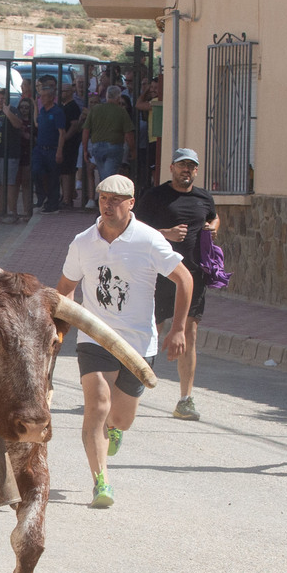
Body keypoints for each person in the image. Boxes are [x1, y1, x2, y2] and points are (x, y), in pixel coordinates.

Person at [57, 174, 192, 508]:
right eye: (103, 198)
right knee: (97, 406)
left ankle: (116, 430)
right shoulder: (83, 242)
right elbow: (65, 289)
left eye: (116, 200)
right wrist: (59, 328)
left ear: (131, 203)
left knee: (121, 418)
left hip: (138, 343)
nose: (108, 205)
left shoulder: (148, 240)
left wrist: (177, 329)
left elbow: (184, 279)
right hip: (95, 337)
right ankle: (101, 481)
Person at [134, 148, 219, 421]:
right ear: (171, 168)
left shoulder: (203, 197)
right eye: (182, 165)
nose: (187, 170)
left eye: (191, 167)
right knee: (151, 331)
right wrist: (166, 234)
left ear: (196, 170)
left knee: (189, 334)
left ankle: (185, 399)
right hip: (158, 275)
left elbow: (213, 216)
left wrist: (214, 226)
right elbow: (135, 229)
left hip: (193, 275)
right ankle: (130, 389)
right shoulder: (155, 197)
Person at [82, 85, 136, 186]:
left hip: (97, 146)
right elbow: (129, 133)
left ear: (107, 96)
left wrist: (85, 150)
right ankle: (106, 198)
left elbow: (86, 130)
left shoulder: (95, 110)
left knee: (104, 176)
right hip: (114, 147)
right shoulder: (121, 111)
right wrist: (133, 150)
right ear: (118, 97)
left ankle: (103, 197)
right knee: (108, 178)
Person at [0, 90, 27, 221]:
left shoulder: (13, 110)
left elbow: (18, 124)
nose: (0, 101)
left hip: (10, 153)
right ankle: (1, 211)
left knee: (10, 183)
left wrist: (7, 112)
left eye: (3, 98)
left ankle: (12, 212)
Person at [32, 85, 67, 215]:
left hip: (52, 149)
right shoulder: (43, 111)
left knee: (53, 177)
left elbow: (62, 133)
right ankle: (42, 197)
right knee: (36, 171)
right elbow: (37, 123)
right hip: (40, 149)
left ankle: (52, 204)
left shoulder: (57, 112)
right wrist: (36, 107)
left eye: (44, 96)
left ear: (52, 97)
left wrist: (59, 150)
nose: (41, 98)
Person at [59, 82, 85, 208]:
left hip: (70, 144)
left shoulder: (72, 106)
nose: (61, 93)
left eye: (63, 91)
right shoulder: (63, 105)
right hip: (64, 143)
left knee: (67, 172)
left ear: (70, 92)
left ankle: (67, 199)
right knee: (63, 172)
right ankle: (66, 195)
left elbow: (74, 125)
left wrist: (65, 138)